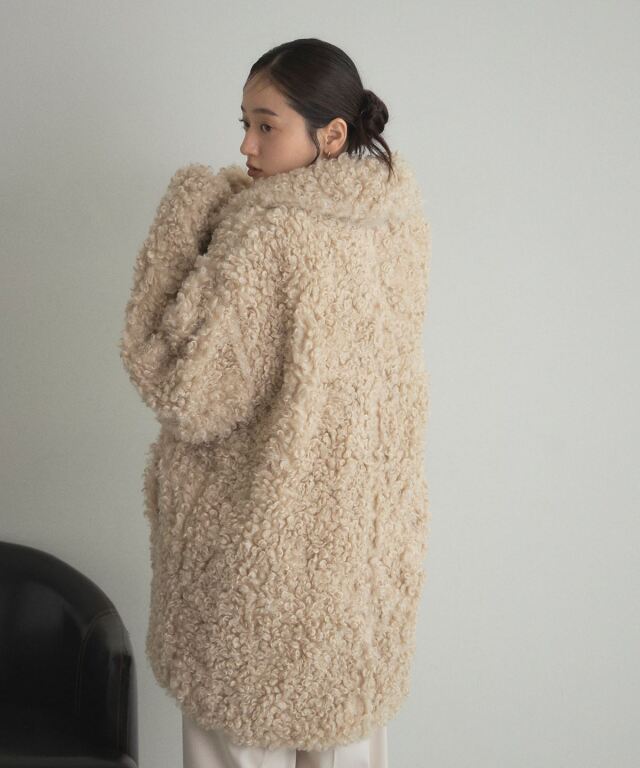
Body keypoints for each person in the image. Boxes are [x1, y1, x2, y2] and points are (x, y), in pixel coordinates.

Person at [119, 37, 431, 768]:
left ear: (331, 134)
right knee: (347, 738)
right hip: (359, 566)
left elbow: (185, 390)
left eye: (266, 125)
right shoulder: (397, 224)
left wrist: (184, 216)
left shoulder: (266, 235)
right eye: (245, 122)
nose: (246, 145)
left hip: (257, 567)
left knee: (236, 737)